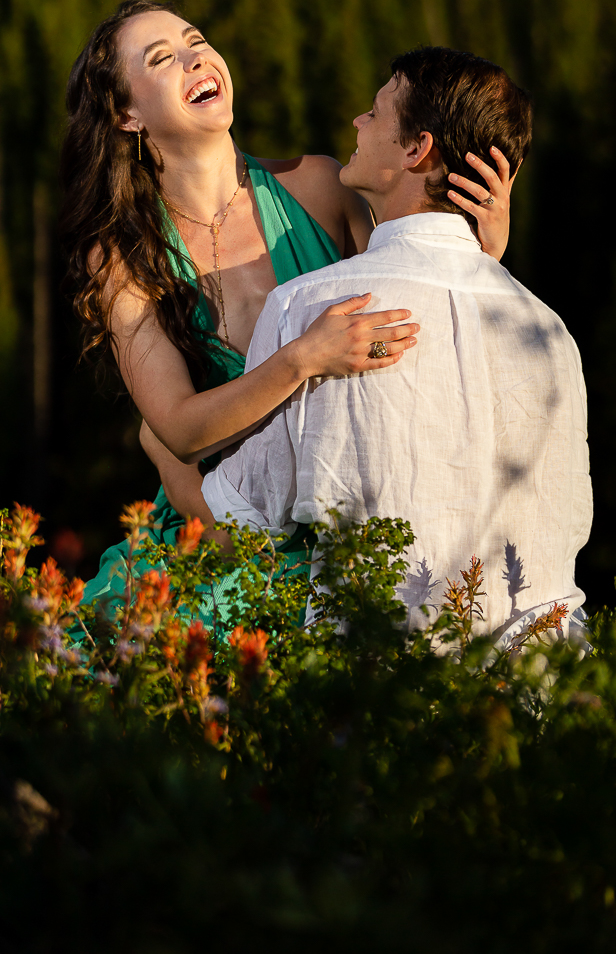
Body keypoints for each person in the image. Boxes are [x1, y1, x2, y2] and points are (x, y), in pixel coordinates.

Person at [59, 2, 517, 620]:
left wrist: (481, 254)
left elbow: (411, 309)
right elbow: (180, 431)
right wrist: (303, 358)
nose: (195, 56)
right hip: (217, 535)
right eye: (162, 57)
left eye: (195, 40)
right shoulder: (120, 259)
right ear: (126, 114)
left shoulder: (320, 186)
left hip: (350, 518)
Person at [200, 48, 593, 645]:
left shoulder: (313, 310)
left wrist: (165, 444)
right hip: (540, 694)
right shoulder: (550, 332)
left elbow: (244, 520)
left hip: (381, 692)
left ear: (417, 150)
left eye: (377, 112)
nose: (358, 122)